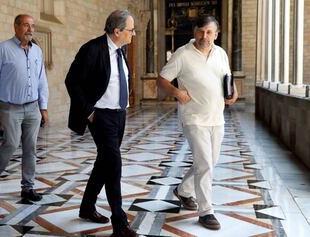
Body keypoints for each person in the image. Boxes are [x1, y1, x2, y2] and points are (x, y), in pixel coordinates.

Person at [157, 16, 238, 230]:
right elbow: (162, 79)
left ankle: (183, 191)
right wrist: (176, 92)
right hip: (193, 118)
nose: (205, 36)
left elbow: (227, 78)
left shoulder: (220, 53)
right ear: (195, 32)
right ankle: (206, 212)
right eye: (201, 31)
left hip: (217, 117)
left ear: (216, 34)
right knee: (205, 164)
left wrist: (234, 92)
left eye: (210, 32)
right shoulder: (182, 54)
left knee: (209, 161)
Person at [65, 10, 137, 237]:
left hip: (119, 115)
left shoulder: (121, 51)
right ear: (117, 31)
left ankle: (87, 207)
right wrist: (88, 112)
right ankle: (120, 223)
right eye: (130, 30)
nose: (133, 34)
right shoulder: (92, 49)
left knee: (104, 162)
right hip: (101, 116)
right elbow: (72, 81)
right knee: (114, 164)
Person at [0, 14, 49, 202]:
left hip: (32, 108)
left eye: (32, 26)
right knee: (11, 143)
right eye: (26, 25)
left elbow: (41, 80)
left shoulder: (37, 51)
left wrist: (43, 107)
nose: (30, 29)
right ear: (16, 27)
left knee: (31, 148)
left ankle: (28, 187)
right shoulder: (2, 49)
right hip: (10, 107)